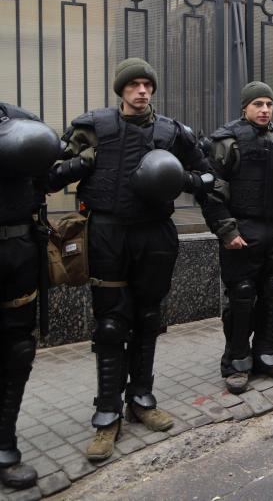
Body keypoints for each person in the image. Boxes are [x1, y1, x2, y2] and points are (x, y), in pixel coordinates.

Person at [47, 58, 214, 461]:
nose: (141, 91)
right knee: (109, 325)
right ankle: (107, 415)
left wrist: (179, 178)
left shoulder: (173, 132)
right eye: (133, 85)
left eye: (147, 85)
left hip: (154, 233)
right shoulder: (92, 128)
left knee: (148, 318)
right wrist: (80, 163)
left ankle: (141, 399)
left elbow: (209, 176)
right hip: (106, 233)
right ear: (121, 90)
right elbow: (49, 174)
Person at [203, 81, 273, 394]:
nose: (265, 110)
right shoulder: (227, 141)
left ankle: (266, 353)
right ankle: (236, 360)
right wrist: (227, 230)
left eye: (269, 104)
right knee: (242, 295)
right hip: (243, 231)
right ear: (245, 107)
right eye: (258, 104)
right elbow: (212, 191)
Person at [0, 105, 60, 490]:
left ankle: (4, 447)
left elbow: (47, 176)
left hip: (17, 251)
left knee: (18, 349)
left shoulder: (19, 121)